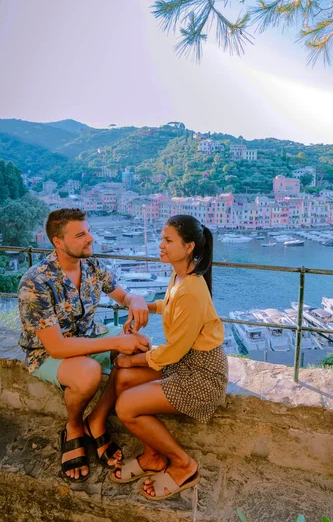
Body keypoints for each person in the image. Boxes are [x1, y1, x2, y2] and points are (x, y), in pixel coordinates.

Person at [18, 208, 150, 482]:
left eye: (88, 231)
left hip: (89, 335)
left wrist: (134, 300)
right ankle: (75, 426)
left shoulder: (91, 266)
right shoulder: (36, 282)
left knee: (141, 347)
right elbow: (55, 348)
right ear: (58, 241)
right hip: (47, 353)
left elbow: (121, 294)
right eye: (80, 234)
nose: (90, 238)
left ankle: (97, 420)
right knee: (88, 371)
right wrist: (116, 341)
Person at [111, 214, 228, 501]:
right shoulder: (181, 276)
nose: (160, 245)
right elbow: (170, 305)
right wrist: (145, 308)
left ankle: (184, 464)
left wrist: (132, 359)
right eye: (162, 239)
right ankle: (152, 456)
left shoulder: (191, 289)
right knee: (124, 380)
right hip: (186, 363)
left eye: (167, 240)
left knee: (125, 405)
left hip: (202, 375)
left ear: (188, 247)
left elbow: (174, 350)